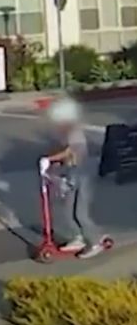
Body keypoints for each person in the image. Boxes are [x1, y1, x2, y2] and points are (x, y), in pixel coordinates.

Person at [42, 97, 105, 259]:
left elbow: (71, 151)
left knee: (80, 213)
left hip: (81, 174)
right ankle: (78, 237)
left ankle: (95, 241)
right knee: (68, 210)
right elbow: (63, 152)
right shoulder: (64, 132)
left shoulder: (74, 132)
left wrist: (50, 159)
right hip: (70, 174)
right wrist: (54, 163)